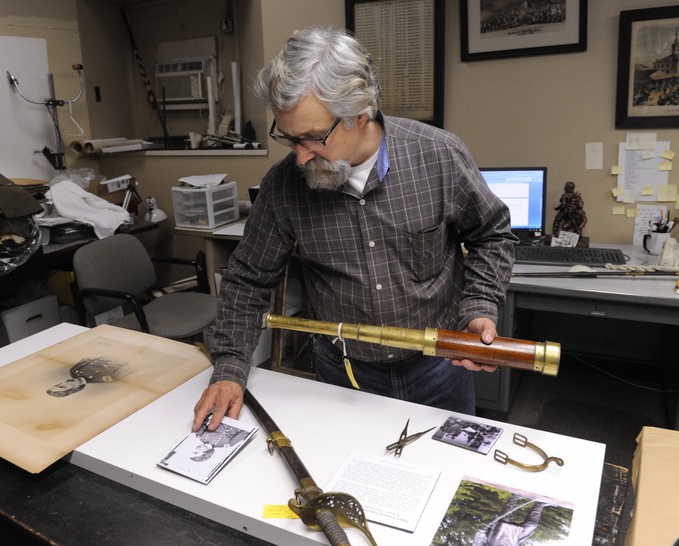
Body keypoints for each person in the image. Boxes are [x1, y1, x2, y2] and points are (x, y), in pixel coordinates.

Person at [193, 26, 515, 433]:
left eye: (312, 138)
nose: (300, 156)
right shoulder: (283, 186)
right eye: (289, 139)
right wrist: (229, 367)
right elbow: (247, 280)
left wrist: (479, 305)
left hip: (439, 370)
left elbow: (492, 235)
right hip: (343, 373)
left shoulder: (438, 156)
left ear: (360, 113)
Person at [46, 356, 125, 397]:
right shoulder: (104, 380)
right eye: (62, 387)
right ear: (75, 390)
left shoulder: (73, 371)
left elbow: (88, 357)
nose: (62, 382)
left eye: (57, 385)